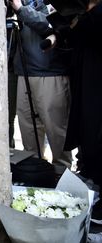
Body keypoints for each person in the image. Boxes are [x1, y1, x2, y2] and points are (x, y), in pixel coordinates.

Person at [10, 0, 72, 169]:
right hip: (23, 71)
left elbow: (54, 28)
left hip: (50, 73)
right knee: (28, 129)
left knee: (56, 129)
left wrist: (21, 9)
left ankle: (62, 173)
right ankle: (35, 171)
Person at [61, 0, 102, 224]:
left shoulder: (95, 15)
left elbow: (87, 27)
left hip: (95, 83)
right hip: (88, 80)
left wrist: (84, 16)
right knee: (89, 135)